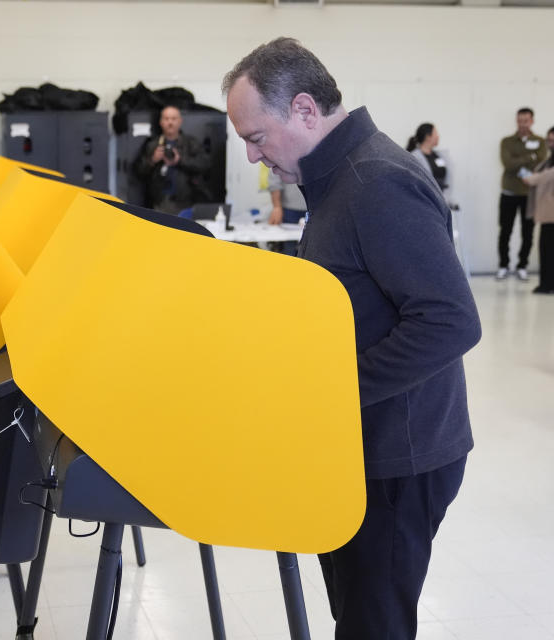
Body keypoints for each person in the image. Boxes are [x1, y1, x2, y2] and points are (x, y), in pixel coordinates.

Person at [224, 38, 481, 639]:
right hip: (358, 447)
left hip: (399, 457)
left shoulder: (375, 182)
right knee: (357, 618)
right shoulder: (338, 179)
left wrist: (329, 389)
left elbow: (449, 319)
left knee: (374, 626)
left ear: (306, 110)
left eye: (256, 137)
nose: (251, 156)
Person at [497, 107, 548, 281]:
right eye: (519, 120)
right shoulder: (507, 141)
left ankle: (522, 266)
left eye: (526, 121)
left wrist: (519, 158)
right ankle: (503, 265)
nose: (522, 124)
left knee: (528, 232)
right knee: (505, 230)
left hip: (529, 194)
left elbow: (541, 162)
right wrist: (529, 156)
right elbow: (508, 164)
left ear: (532, 121)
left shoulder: (540, 141)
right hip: (509, 193)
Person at [133, 105, 211, 215]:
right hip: (159, 203)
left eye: (174, 119)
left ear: (180, 121)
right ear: (161, 122)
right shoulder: (152, 145)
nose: (170, 122)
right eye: (166, 119)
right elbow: (138, 172)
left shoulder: (191, 143)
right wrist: (153, 160)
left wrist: (180, 161)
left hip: (186, 202)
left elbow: (205, 164)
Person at [523, 126, 554, 294]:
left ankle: (547, 284)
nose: (550, 143)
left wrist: (533, 178)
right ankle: (546, 283)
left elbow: (546, 176)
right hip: (547, 214)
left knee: (548, 249)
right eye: (549, 140)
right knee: (545, 249)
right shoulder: (548, 160)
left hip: (551, 212)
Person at [407, 123, 456, 207]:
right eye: (435, 133)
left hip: (442, 201)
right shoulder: (414, 158)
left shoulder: (440, 156)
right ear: (428, 136)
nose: (438, 136)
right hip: (426, 203)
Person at [267, 169, 305, 255]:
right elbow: (274, 181)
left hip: (314, 209)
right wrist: (277, 207)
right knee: (289, 248)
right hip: (289, 211)